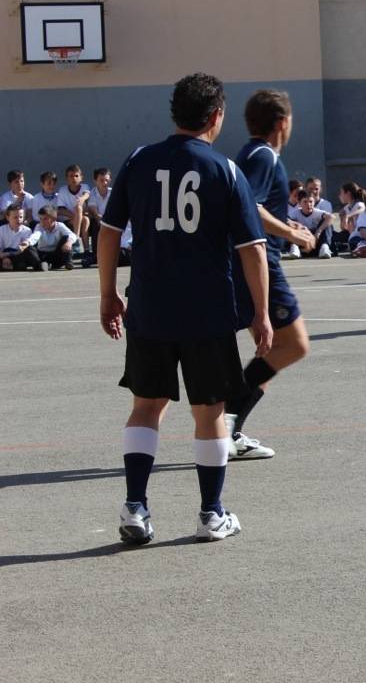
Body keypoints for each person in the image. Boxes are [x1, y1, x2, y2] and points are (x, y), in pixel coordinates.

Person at [97, 71, 272, 545]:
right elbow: (253, 249)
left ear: (175, 113)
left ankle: (135, 507)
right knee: (209, 411)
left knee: (146, 406)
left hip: (149, 305)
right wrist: (261, 313)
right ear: (215, 116)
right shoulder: (225, 170)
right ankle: (210, 514)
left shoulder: (139, 160)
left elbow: (108, 233)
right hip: (206, 312)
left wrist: (108, 293)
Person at [226, 89, 315, 461]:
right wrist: (293, 235)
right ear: (282, 122)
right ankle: (227, 420)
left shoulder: (251, 154)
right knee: (294, 345)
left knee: (269, 351)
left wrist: (285, 225)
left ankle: (231, 430)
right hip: (259, 263)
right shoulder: (264, 156)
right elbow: (250, 206)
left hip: (245, 262)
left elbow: (251, 206)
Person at [57, 164, 91, 258]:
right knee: (79, 209)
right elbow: (60, 210)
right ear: (67, 178)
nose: (74, 178)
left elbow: (87, 194)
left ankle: (86, 250)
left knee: (85, 219)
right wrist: (76, 216)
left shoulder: (85, 186)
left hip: (81, 218)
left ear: (81, 177)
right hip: (68, 220)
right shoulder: (62, 190)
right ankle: (76, 239)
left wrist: (82, 199)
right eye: (71, 176)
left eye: (76, 176)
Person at [33, 205, 77, 269]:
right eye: (40, 219)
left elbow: (72, 235)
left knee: (66, 238)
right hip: (42, 253)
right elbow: (35, 236)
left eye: (45, 219)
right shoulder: (39, 226)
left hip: (56, 253)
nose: (42, 221)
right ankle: (42, 264)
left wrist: (69, 242)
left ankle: (68, 263)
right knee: (31, 247)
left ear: (53, 219)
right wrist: (27, 242)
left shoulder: (60, 225)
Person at [293, 191, 335, 257]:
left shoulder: (317, 212)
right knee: (290, 224)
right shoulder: (295, 213)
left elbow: (331, 217)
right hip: (302, 241)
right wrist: (298, 226)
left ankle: (324, 247)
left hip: (316, 241)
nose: (308, 204)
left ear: (314, 202)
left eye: (311, 202)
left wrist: (319, 231)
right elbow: (285, 220)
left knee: (327, 223)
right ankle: (294, 248)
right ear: (299, 203)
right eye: (305, 202)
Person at [0, 203, 40, 271]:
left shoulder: (27, 230)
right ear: (7, 217)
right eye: (15, 217)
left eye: (21, 217)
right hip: (4, 255)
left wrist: (10, 254)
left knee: (30, 249)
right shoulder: (1, 230)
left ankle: (38, 264)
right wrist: (5, 258)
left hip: (19, 255)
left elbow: (23, 249)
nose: (18, 219)